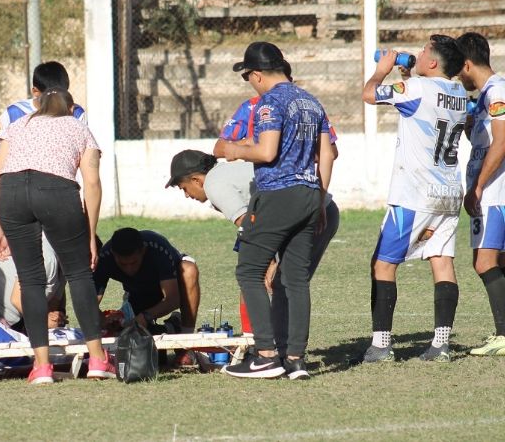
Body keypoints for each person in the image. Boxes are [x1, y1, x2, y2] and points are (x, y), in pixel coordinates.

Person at [0, 87, 115, 384]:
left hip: (12, 194)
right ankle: (97, 358)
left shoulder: (18, 126)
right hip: (56, 192)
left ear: (37, 107)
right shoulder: (78, 126)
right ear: (70, 108)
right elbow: (92, 183)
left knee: (30, 279)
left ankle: (42, 367)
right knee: (79, 273)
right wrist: (91, 234)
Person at [223, 42, 333, 380]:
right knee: (296, 278)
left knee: (250, 272)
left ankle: (267, 354)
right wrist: (321, 199)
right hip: (310, 193)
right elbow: (326, 154)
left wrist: (233, 150)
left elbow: (268, 152)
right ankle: (295, 359)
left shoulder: (269, 101)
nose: (250, 83)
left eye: (247, 77)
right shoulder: (311, 101)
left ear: (257, 74)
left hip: (278, 193)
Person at [166, 149, 338, 358]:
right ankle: (280, 350)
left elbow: (248, 224)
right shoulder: (225, 173)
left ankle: (280, 354)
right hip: (310, 209)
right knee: (284, 283)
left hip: (314, 214)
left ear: (196, 180)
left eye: (184, 188)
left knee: (284, 284)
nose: (186, 195)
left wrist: (270, 259)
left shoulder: (214, 184)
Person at [361, 35, 466, 363]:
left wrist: (381, 71)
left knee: (383, 264)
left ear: (432, 62)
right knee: (442, 261)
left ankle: (381, 345)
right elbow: (427, 105)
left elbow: (368, 95)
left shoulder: (418, 90)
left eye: (423, 52)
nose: (417, 54)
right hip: (448, 192)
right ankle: (442, 344)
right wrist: (410, 76)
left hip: (414, 193)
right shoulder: (459, 93)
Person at [456, 32, 505, 356]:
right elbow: (481, 138)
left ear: (467, 64)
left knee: (484, 262)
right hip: (494, 193)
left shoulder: (497, 91)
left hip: (495, 194)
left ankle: (503, 335)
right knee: (498, 260)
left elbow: (502, 142)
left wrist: (477, 187)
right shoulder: (487, 95)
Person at [0, 61, 86, 174]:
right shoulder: (15, 112)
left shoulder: (76, 113)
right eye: (50, 96)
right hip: (21, 186)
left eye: (62, 94)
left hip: (60, 187)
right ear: (35, 91)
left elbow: (85, 156)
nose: (57, 100)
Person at [94, 228, 200, 336]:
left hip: (173, 286)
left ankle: (187, 340)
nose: (129, 269)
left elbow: (173, 299)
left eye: (134, 262)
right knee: (126, 333)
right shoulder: (104, 258)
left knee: (188, 270)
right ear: (113, 254)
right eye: (123, 264)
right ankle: (171, 327)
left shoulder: (158, 250)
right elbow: (90, 303)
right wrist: (103, 319)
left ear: (143, 251)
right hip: (137, 293)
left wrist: (146, 316)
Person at [0, 233, 68, 333]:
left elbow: (54, 299)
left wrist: (56, 317)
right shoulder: (47, 257)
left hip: (7, 311)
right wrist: (44, 321)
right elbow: (17, 299)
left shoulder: (62, 258)